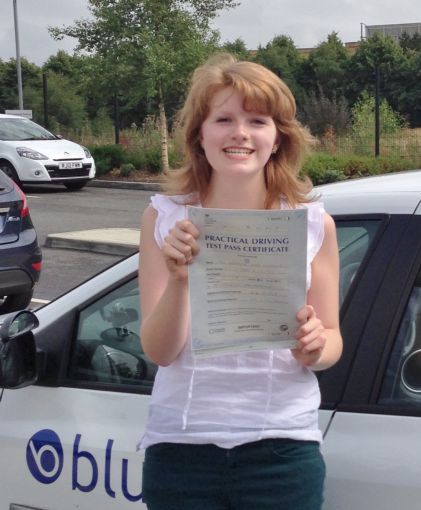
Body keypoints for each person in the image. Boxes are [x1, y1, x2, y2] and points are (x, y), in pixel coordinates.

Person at [137, 53, 341, 510]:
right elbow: (159, 351)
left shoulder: (312, 223)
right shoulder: (163, 219)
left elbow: (332, 342)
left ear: (278, 137)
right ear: (200, 135)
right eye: (223, 119)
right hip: (182, 450)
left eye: (257, 120)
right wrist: (180, 282)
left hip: (283, 448)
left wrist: (314, 344)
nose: (240, 133)